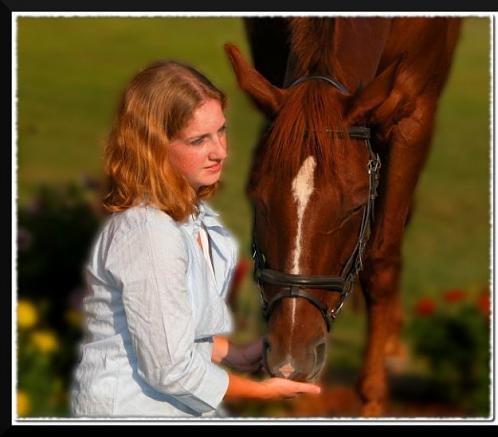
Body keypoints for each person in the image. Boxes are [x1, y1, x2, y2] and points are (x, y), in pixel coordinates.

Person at [69, 60, 321, 418]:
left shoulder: (189, 217)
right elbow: (169, 369)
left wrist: (228, 352)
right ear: (154, 147)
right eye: (199, 140)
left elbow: (162, 326)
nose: (220, 151)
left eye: (221, 131)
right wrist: (258, 392)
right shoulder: (149, 235)